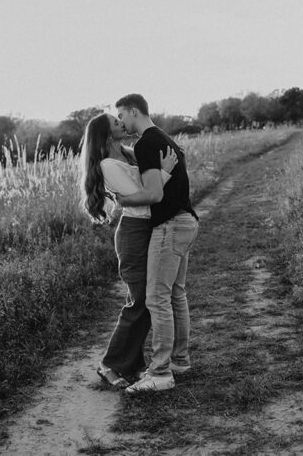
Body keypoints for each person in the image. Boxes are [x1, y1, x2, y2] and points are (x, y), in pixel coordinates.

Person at [80, 112, 178, 389]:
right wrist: (165, 173)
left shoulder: (128, 153)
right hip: (134, 232)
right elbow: (143, 195)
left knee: (146, 301)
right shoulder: (108, 165)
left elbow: (145, 188)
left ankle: (133, 364)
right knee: (141, 301)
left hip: (147, 228)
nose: (121, 124)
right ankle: (108, 364)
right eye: (115, 122)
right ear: (105, 134)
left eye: (120, 120)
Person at [114, 93, 199, 394]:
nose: (120, 122)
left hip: (170, 226)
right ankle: (180, 361)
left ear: (133, 111)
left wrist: (122, 199)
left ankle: (160, 372)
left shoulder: (146, 142)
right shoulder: (162, 138)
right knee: (176, 294)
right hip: (186, 221)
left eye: (121, 116)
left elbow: (153, 194)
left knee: (157, 298)